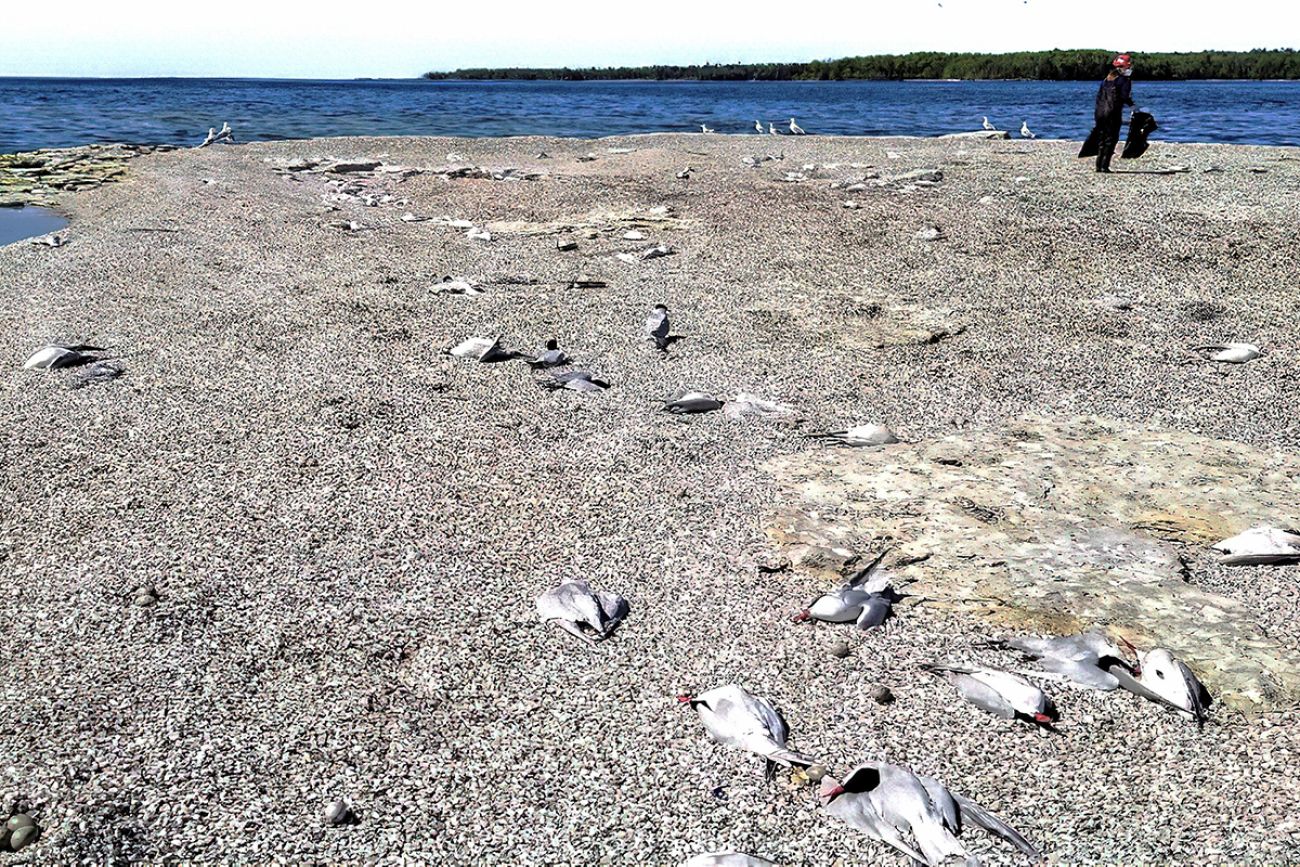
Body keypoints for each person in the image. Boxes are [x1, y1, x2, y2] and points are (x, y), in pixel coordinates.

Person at [1090, 54, 1135, 173]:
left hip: (1099, 112)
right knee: (1111, 138)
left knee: (1102, 138)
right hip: (1112, 112)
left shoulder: (1106, 79)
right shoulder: (1125, 80)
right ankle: (1105, 166)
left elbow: (1099, 97)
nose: (1129, 69)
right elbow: (1125, 96)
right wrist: (1133, 106)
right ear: (1122, 68)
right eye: (1127, 67)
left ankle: (1099, 166)